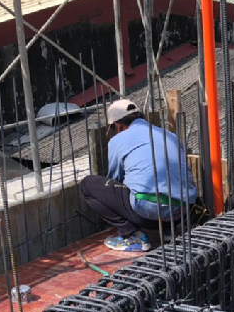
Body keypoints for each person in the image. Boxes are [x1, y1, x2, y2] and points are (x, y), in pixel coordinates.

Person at [80, 100, 199, 252]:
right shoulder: (169, 135)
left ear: (117, 125)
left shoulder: (117, 141)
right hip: (181, 213)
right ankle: (168, 231)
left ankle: (132, 236)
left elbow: (115, 180)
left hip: (147, 215)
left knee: (87, 185)